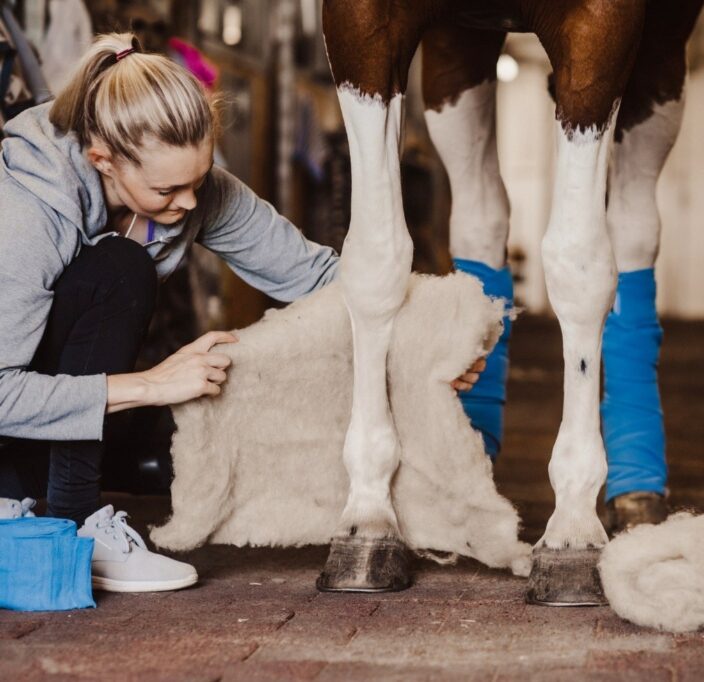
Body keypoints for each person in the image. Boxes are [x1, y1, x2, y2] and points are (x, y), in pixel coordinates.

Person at [0, 33, 482, 593]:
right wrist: (154, 385)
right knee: (120, 270)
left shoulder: (195, 193)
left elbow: (315, 275)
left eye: (199, 179)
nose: (188, 203)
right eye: (168, 189)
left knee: (193, 446)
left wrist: (427, 337)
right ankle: (73, 527)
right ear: (102, 159)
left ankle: (40, 504)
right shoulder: (27, 214)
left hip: (53, 414)